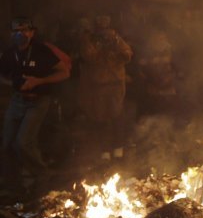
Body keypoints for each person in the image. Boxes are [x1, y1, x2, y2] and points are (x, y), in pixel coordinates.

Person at [0, 17, 70, 200]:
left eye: (24, 30)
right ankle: (14, 187)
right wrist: (14, 84)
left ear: (32, 32)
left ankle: (42, 176)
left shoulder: (41, 51)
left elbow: (64, 72)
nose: (20, 34)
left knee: (23, 142)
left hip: (38, 101)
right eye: (16, 31)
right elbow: (1, 75)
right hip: (17, 100)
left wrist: (39, 81)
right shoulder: (10, 53)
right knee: (7, 144)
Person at [78, 14, 133, 161]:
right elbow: (89, 56)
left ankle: (118, 148)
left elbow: (127, 54)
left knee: (117, 115)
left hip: (115, 84)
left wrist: (114, 43)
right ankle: (105, 150)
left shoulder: (115, 37)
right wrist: (100, 47)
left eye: (106, 19)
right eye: (101, 19)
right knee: (100, 117)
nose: (104, 22)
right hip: (98, 85)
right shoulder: (90, 39)